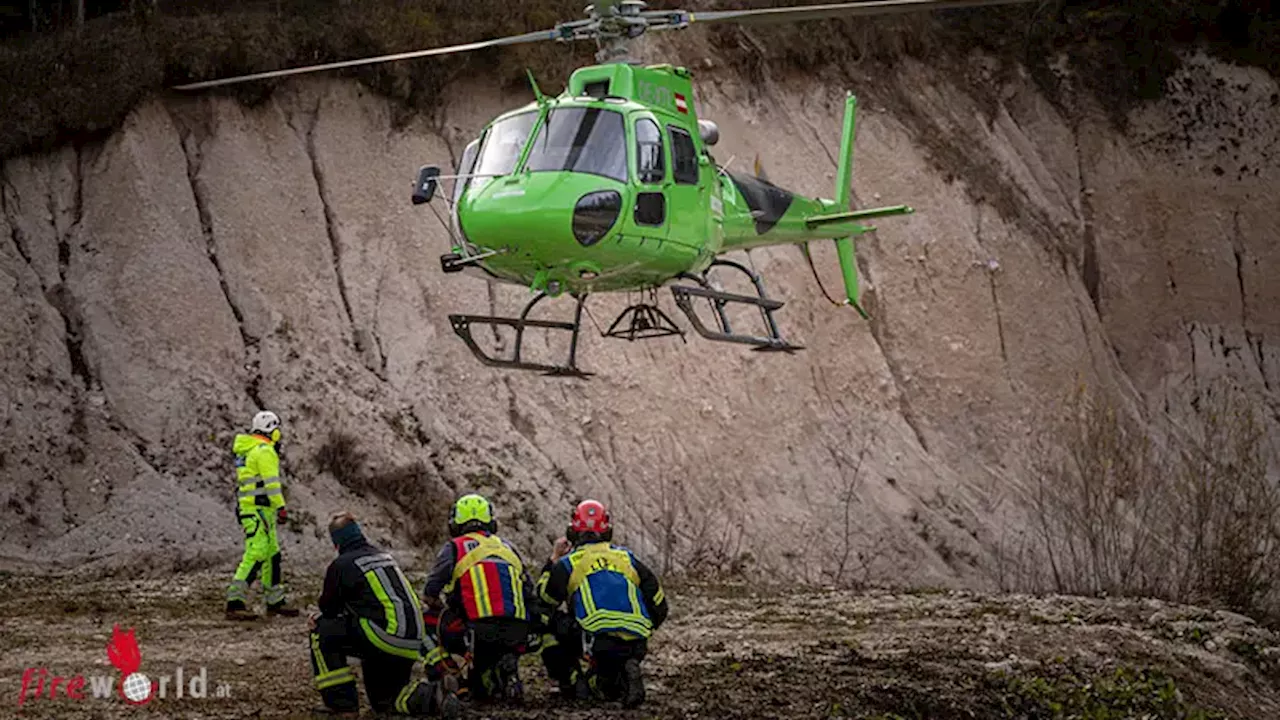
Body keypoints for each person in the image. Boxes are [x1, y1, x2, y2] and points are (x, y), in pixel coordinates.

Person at [309, 511, 461, 718]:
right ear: (360, 534)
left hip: (384, 637)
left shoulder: (342, 564)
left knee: (321, 629)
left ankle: (342, 704)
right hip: (410, 641)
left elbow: (328, 609)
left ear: (336, 543)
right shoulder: (384, 557)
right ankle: (433, 696)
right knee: (385, 702)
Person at [537, 499, 668, 708]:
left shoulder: (569, 563)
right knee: (608, 682)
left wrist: (552, 560)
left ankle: (572, 680)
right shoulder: (627, 558)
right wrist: (644, 630)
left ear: (572, 532)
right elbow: (660, 604)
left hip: (594, 641)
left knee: (545, 624)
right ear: (607, 531)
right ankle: (620, 670)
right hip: (636, 642)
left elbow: (543, 600)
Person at [420, 493, 538, 703]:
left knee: (423, 624)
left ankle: (452, 677)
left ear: (455, 523)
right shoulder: (509, 547)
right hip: (518, 631)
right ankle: (503, 668)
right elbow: (529, 592)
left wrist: (444, 606)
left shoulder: (454, 548)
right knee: (484, 686)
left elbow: (430, 591)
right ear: (491, 521)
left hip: (476, 632)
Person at [225, 410, 299, 620]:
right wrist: (281, 506)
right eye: (277, 429)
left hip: (255, 509)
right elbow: (272, 484)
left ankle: (275, 601)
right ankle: (235, 601)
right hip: (258, 510)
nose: (279, 434)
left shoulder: (248, 450)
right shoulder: (265, 451)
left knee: (271, 554)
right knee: (257, 552)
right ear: (271, 430)